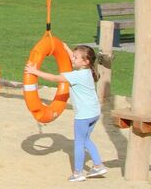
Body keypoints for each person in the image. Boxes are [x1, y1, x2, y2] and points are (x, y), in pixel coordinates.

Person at [25, 44, 108, 182]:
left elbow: (55, 79)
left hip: (83, 116)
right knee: (86, 139)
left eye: (75, 58)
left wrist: (35, 71)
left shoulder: (77, 76)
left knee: (79, 143)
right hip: (94, 113)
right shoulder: (87, 72)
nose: (72, 59)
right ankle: (98, 166)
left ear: (85, 61)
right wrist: (65, 48)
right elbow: (74, 58)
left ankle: (78, 173)